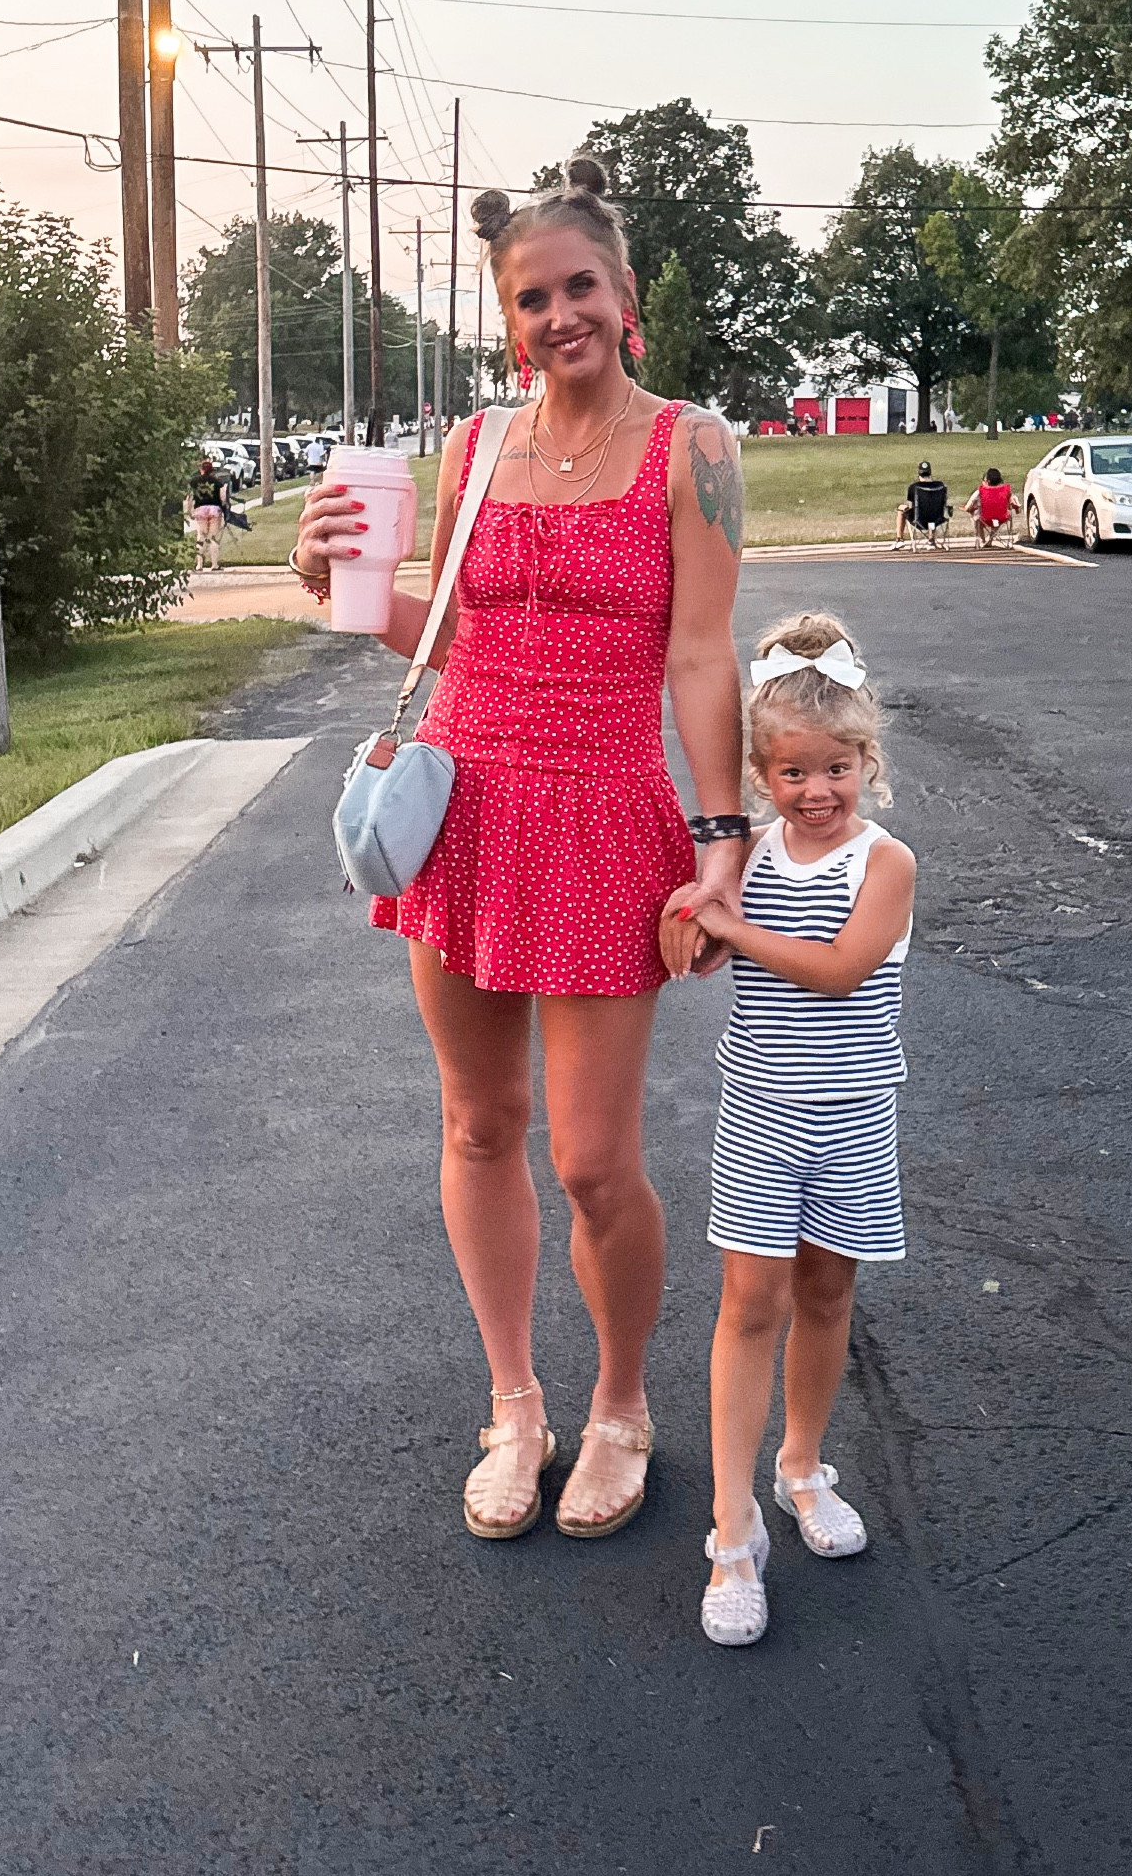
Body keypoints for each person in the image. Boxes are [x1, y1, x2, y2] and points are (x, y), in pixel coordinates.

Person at [291, 155, 746, 1542]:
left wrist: (720, 840)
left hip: (605, 811)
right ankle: (515, 1402)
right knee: (478, 1122)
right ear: (507, 318)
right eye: (531, 297)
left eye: (580, 288)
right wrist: (333, 587)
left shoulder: (693, 447)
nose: (560, 315)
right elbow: (443, 632)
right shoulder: (472, 449)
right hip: (463, 805)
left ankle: (620, 1404)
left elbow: (700, 651)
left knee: (595, 1160)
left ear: (626, 298)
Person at [663, 612, 915, 1646]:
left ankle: (802, 1465)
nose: (817, 790)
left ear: (867, 760)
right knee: (748, 1299)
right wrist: (693, 913)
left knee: (826, 1288)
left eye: (837, 767)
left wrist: (732, 927)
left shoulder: (882, 862)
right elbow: (693, 951)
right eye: (792, 771)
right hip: (761, 1114)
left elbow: (838, 969)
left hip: (852, 1117)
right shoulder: (753, 858)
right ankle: (732, 1528)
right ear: (759, 776)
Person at [185, 456, 230, 571]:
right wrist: (225, 509)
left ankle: (199, 565)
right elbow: (223, 498)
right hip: (215, 509)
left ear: (201, 470)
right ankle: (214, 565)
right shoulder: (217, 482)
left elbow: (190, 497)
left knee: (201, 537)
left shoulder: (195, 482)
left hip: (200, 510)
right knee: (213, 538)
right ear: (211, 471)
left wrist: (189, 511)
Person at [893, 460, 948, 545]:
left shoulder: (914, 487)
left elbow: (911, 506)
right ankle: (931, 539)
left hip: (919, 520)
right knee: (932, 510)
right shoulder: (940, 486)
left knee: (901, 509)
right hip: (937, 519)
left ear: (919, 474)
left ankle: (899, 539)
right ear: (930, 473)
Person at [963, 466, 1013, 546]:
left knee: (976, 517)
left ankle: (982, 540)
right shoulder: (1005, 491)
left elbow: (968, 506)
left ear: (987, 481)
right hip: (1000, 518)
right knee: (999, 515)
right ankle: (990, 538)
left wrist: (970, 510)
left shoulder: (980, 491)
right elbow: (1013, 503)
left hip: (984, 518)